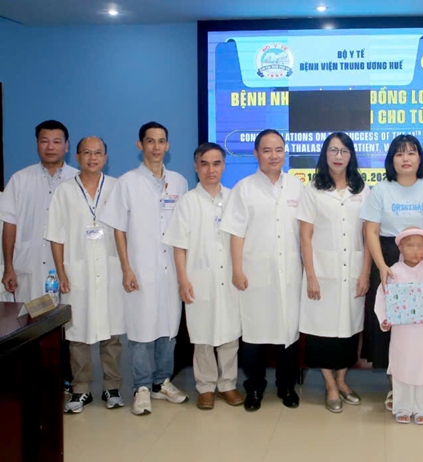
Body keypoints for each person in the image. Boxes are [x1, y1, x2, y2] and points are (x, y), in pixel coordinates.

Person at [99, 121, 189, 416]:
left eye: (161, 141)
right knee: (140, 329)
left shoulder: (179, 182)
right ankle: (141, 387)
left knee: (168, 328)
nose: (156, 147)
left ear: (168, 145)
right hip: (140, 267)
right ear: (140, 145)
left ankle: (161, 382)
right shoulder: (127, 182)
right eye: (150, 141)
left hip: (171, 269)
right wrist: (126, 268)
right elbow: (119, 229)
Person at [220, 129, 304, 412]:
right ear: (256, 153)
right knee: (254, 335)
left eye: (278, 149)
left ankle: (286, 386)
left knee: (288, 334)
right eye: (267, 150)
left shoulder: (297, 187)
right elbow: (236, 233)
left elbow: (305, 234)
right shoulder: (243, 188)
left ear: (285, 152)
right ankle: (254, 387)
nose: (273, 155)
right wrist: (237, 269)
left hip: (289, 274)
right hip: (254, 274)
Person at [360, 134, 423, 412]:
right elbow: (371, 231)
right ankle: (397, 387)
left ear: (420, 158)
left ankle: (422, 383)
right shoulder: (381, 190)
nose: (405, 158)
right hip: (388, 260)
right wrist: (382, 266)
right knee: (392, 326)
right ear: (391, 160)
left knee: (422, 327)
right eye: (399, 153)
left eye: (411, 153)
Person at [45, 136, 126, 414]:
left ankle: (112, 387)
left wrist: (127, 268)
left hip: (110, 269)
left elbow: (123, 231)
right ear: (77, 157)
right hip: (77, 270)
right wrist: (61, 271)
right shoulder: (64, 191)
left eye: (98, 153)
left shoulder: (115, 187)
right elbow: (55, 235)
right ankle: (81, 390)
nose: (93, 157)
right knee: (77, 333)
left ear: (106, 157)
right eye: (87, 152)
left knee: (112, 333)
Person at [162, 142, 243, 411]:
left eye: (216, 163)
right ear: (196, 167)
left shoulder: (234, 199)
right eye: (205, 164)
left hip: (230, 278)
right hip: (199, 279)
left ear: (224, 166)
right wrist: (183, 280)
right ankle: (206, 387)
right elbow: (179, 246)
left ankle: (228, 384)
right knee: (202, 335)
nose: (211, 170)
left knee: (230, 335)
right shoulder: (187, 202)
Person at [297, 133, 371, 413]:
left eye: (344, 151)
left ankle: (342, 381)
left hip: (353, 271)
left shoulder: (362, 189)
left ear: (351, 155)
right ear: (325, 154)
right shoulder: (313, 189)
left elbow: (368, 235)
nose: (338, 156)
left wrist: (365, 273)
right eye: (333, 150)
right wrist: (311, 275)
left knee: (349, 331)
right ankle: (330, 385)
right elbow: (305, 236)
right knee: (322, 332)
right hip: (322, 272)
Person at [0, 120, 79, 304]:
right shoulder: (20, 179)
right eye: (44, 141)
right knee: (31, 318)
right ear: (37, 144)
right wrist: (8, 267)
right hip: (29, 267)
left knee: (69, 319)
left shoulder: (78, 180)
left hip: (69, 268)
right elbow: (9, 226)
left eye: (56, 142)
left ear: (66, 146)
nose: (50, 147)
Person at [374, 227, 423, 425]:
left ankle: (422, 408)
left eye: (420, 246)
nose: (416, 250)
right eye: (410, 246)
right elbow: (382, 296)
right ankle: (402, 407)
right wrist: (384, 319)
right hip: (402, 332)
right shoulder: (393, 272)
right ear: (400, 248)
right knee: (402, 365)